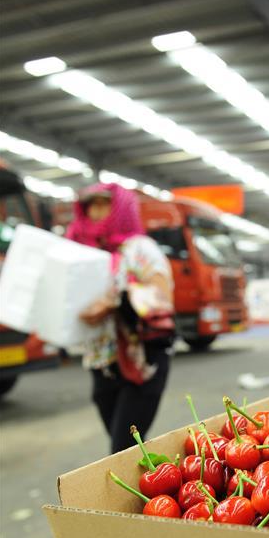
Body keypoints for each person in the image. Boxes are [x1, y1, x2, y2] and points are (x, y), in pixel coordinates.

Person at [66, 183, 175, 453]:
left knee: (122, 448)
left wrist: (113, 302)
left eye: (104, 204)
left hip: (141, 361)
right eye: (90, 205)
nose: (95, 212)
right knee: (127, 450)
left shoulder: (138, 248)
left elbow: (161, 296)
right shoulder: (85, 253)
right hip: (101, 362)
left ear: (121, 208)